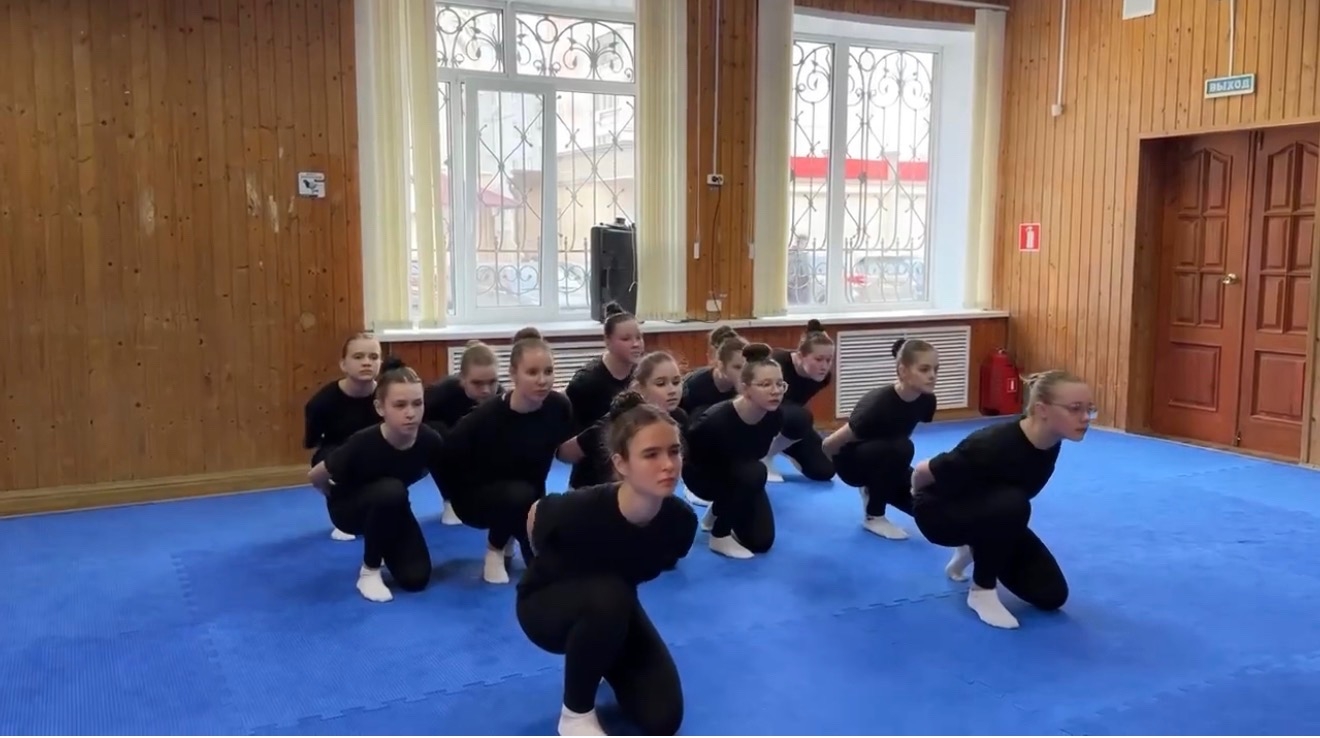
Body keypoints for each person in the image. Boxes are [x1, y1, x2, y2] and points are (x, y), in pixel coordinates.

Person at [519, 391, 696, 736]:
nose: (668, 464)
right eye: (651, 454)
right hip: (546, 603)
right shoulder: (581, 508)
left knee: (662, 719)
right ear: (621, 464)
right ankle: (575, 714)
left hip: (614, 605)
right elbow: (535, 515)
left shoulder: (680, 523)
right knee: (608, 594)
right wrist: (551, 568)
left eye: (674, 451)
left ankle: (598, 651)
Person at [909, 369, 1089, 629]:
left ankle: (977, 544)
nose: (1085, 418)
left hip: (994, 514)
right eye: (1075, 409)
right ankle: (981, 591)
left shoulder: (1051, 442)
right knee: (1013, 503)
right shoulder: (992, 443)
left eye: (1089, 409)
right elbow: (923, 471)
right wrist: (915, 498)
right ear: (1042, 410)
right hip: (939, 513)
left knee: (1051, 595)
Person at [439, 328, 576, 584]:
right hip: (476, 499)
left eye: (548, 371)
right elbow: (446, 457)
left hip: (529, 498)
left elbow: (565, 451)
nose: (542, 380)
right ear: (513, 374)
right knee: (517, 494)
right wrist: (451, 498)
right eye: (532, 372)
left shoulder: (559, 407)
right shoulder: (484, 418)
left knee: (551, 567)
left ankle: (514, 530)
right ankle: (495, 549)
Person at [307, 362, 440, 602]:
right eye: (400, 405)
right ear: (380, 408)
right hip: (350, 509)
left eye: (417, 403)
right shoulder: (362, 443)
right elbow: (315, 476)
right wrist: (331, 494)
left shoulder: (430, 440)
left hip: (393, 505)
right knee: (390, 490)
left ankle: (385, 540)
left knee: (416, 579)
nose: (410, 413)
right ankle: (369, 571)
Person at [823, 338, 938, 540]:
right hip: (852, 463)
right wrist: (865, 473)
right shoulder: (877, 405)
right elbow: (829, 445)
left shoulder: (927, 400)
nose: (932, 376)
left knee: (931, 505)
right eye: (924, 369)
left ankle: (876, 489)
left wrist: (890, 474)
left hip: (888, 456)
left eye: (936, 369)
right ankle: (874, 516)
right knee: (902, 448)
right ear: (903, 371)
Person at [683, 343, 786, 559]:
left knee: (761, 542)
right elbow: (692, 461)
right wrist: (724, 494)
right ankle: (719, 536)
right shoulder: (714, 422)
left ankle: (716, 514)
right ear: (745, 388)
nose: (775, 391)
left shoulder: (774, 416)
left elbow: (756, 455)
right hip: (703, 477)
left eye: (780, 384)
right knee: (754, 471)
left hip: (740, 476)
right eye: (765, 384)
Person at [559, 351, 688, 490]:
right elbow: (564, 453)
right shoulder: (618, 423)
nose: (672, 390)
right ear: (640, 388)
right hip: (594, 492)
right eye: (661, 384)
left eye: (676, 382)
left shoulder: (679, 418)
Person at [303, 332, 387, 541]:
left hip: (377, 452)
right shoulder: (321, 403)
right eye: (358, 357)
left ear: (380, 363)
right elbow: (314, 442)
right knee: (336, 460)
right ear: (343, 364)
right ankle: (343, 513)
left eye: (374, 357)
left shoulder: (387, 397)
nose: (367, 362)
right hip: (339, 454)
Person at [423, 340, 503, 525]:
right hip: (447, 441)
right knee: (434, 433)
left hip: (477, 449)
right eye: (477, 383)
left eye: (492, 382)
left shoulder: (501, 397)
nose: (486, 390)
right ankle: (450, 500)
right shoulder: (440, 393)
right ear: (462, 379)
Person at [764, 320, 836, 483]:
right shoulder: (776, 363)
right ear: (800, 356)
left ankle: (782, 444)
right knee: (800, 417)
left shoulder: (823, 378)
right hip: (760, 420)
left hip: (788, 422)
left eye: (829, 360)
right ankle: (762, 455)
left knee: (825, 470)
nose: (824, 366)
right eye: (818, 359)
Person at [565, 302, 643, 431]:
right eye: (626, 339)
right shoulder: (585, 383)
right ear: (607, 341)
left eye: (639, 338)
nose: (636, 344)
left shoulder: (643, 374)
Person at [679, 325, 747, 421]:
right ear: (721, 364)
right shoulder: (693, 386)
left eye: (746, 366)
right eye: (737, 367)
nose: (744, 373)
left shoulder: (749, 385)